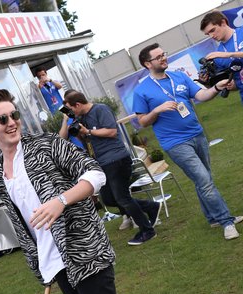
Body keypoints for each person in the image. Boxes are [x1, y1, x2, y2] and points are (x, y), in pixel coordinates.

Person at [0, 89, 148, 294]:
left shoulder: (44, 144)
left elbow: (94, 172)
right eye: (2, 119)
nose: (11, 122)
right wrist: (38, 260)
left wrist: (61, 200)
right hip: (55, 261)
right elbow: (21, 220)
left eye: (14, 115)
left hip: (83, 248)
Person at [133, 43, 242, 240]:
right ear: (147, 63)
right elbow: (141, 122)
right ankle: (226, 221)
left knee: (204, 179)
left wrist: (216, 87)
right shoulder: (142, 91)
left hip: (197, 134)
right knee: (204, 180)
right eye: (158, 57)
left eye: (163, 54)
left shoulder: (179, 76)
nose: (163, 58)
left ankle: (212, 217)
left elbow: (201, 95)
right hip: (175, 143)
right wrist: (157, 110)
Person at [64, 90, 161, 246]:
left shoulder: (100, 109)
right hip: (102, 163)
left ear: (78, 104)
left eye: (71, 108)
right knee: (109, 199)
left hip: (116, 159)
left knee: (122, 198)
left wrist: (88, 131)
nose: (71, 112)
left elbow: (112, 131)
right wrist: (78, 131)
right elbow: (85, 138)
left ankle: (147, 231)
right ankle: (151, 206)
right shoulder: (81, 117)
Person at [200, 10, 243, 105]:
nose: (211, 36)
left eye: (212, 30)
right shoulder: (218, 57)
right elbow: (236, 83)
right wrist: (206, 82)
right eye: (208, 34)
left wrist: (230, 54)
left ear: (223, 23)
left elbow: (229, 55)